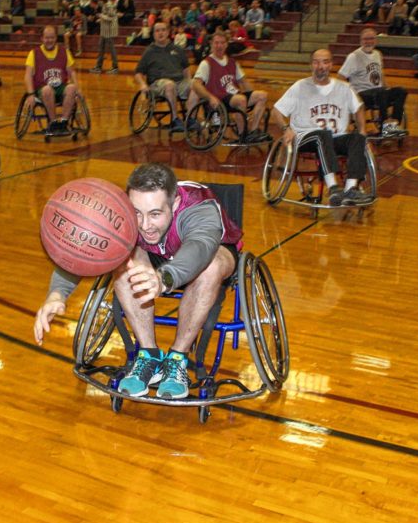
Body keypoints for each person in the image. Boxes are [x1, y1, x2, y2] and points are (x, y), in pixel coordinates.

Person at [33, 163, 243, 400]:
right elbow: (85, 247)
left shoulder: (198, 207)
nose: (144, 225)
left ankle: (177, 360)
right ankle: (149, 354)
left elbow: (200, 247)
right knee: (121, 257)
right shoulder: (122, 209)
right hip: (155, 257)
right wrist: (57, 293)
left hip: (208, 256)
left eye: (155, 214)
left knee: (212, 265)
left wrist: (163, 278)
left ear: (173, 204)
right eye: (137, 213)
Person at [272, 48, 373, 208]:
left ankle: (350, 189)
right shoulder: (300, 86)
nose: (321, 66)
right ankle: (333, 187)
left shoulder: (344, 88)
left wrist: (362, 131)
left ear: (331, 65)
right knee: (322, 135)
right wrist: (286, 128)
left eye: (325, 62)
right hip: (306, 138)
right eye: (316, 62)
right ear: (311, 65)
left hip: (335, 138)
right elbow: (276, 111)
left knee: (357, 138)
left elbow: (359, 107)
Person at [191, 31, 269, 143]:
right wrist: (210, 98)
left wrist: (252, 97)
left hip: (234, 95)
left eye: (222, 43)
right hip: (219, 98)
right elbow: (196, 84)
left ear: (226, 45)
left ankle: (253, 131)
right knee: (241, 100)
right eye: (216, 43)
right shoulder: (206, 63)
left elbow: (244, 81)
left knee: (262, 95)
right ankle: (243, 134)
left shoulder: (232, 62)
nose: (219, 46)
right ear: (211, 44)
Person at [339, 28, 407, 137]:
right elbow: (341, 76)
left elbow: (381, 74)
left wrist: (388, 87)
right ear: (361, 41)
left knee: (401, 91)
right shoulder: (354, 56)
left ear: (375, 40)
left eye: (371, 39)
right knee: (381, 92)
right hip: (362, 94)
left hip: (380, 93)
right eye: (366, 39)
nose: (368, 41)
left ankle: (394, 123)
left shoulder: (377, 54)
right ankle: (385, 126)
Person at [134, 21, 193, 132]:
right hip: (158, 84)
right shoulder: (149, 52)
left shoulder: (178, 49)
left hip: (179, 82)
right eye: (157, 31)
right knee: (169, 85)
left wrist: (190, 82)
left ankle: (191, 119)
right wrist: (142, 84)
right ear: (153, 34)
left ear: (168, 32)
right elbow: (138, 72)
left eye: (163, 30)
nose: (160, 33)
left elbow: (186, 69)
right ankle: (175, 119)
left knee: (196, 85)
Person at [24, 26, 80, 133]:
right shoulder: (34, 53)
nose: (49, 40)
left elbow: (72, 72)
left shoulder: (64, 52)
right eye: (47, 38)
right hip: (42, 88)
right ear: (42, 38)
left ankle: (64, 122)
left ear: (56, 38)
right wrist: (30, 94)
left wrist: (78, 89)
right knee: (47, 90)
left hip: (60, 87)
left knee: (72, 88)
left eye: (52, 38)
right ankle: (53, 122)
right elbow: (27, 75)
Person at [92, 0, 120, 74]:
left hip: (109, 31)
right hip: (104, 31)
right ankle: (98, 67)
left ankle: (115, 67)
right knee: (101, 49)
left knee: (111, 49)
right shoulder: (104, 5)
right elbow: (106, 16)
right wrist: (100, 19)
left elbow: (112, 18)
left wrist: (101, 16)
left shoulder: (109, 5)